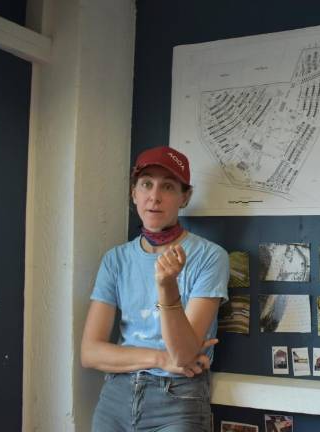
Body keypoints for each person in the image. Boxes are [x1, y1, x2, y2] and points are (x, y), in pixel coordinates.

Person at [81, 146, 229, 431]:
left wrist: (166, 285)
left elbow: (184, 356)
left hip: (177, 397)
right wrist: (160, 358)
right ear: (133, 192)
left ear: (185, 197)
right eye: (146, 183)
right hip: (116, 396)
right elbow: (90, 352)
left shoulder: (210, 257)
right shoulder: (116, 260)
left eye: (169, 187)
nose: (155, 196)